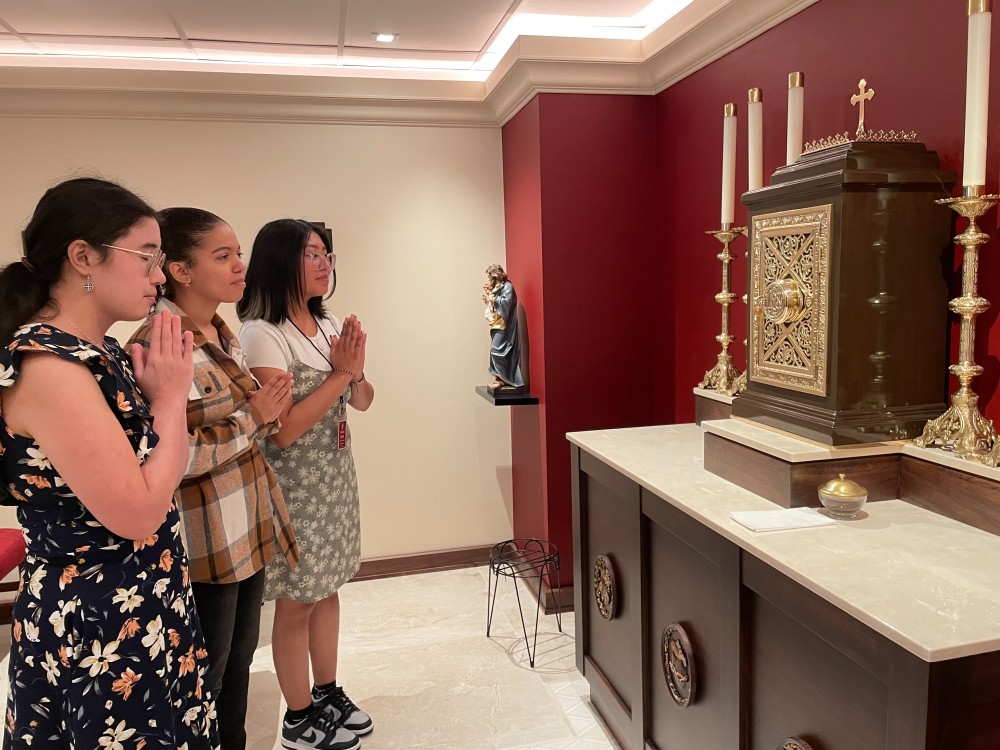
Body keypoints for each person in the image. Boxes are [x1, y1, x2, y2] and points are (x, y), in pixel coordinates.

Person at [0, 177, 219, 748]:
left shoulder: (103, 352)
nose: (159, 275)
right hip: (99, 623)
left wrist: (159, 400)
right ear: (82, 258)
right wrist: (171, 399)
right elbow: (139, 512)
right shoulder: (51, 365)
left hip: (144, 598)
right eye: (147, 257)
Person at [127, 207, 299, 750]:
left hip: (243, 527)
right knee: (207, 671)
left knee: (241, 660)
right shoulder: (161, 344)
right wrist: (254, 418)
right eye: (222, 257)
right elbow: (170, 457)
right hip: (202, 543)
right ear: (179, 270)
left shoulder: (222, 333)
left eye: (238, 253)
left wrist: (259, 419)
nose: (239, 266)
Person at [237, 220, 374, 750]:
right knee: (296, 602)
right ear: (280, 261)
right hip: (295, 489)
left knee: (329, 588)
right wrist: (342, 375)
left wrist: (354, 373)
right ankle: (298, 716)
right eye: (311, 254)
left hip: (336, 480)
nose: (325, 263)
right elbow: (286, 430)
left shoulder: (327, 322)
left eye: (326, 253)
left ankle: (327, 690)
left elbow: (360, 402)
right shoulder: (260, 332)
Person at [483, 264, 524, 390]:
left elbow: (505, 303)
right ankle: (499, 377)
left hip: (506, 326)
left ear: (496, 275)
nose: (490, 280)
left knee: (498, 351)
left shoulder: (508, 287)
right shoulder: (500, 287)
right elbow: (496, 304)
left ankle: (505, 378)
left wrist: (492, 297)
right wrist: (489, 297)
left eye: (490, 277)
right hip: (499, 324)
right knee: (494, 351)